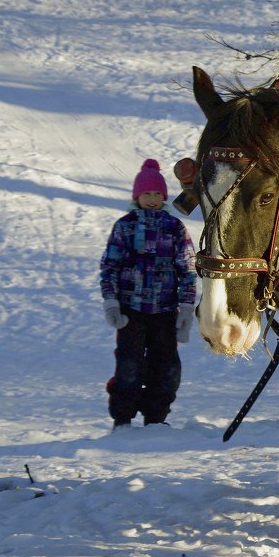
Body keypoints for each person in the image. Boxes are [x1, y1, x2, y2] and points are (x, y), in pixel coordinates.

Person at [99, 159, 197, 428]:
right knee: (129, 367)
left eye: (157, 194)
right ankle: (123, 419)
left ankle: (156, 419)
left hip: (165, 311)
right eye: (147, 194)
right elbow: (110, 266)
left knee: (167, 368)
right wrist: (111, 301)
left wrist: (186, 308)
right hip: (131, 311)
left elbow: (188, 269)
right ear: (137, 196)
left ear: (164, 197)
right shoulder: (125, 227)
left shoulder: (174, 228)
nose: (152, 199)